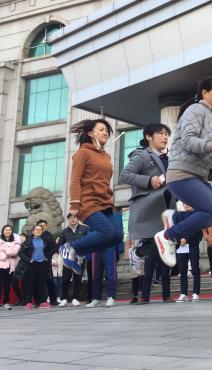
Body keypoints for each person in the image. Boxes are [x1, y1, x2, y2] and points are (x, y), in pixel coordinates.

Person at [154, 78, 212, 267]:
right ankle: (168, 236)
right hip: (182, 174)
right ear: (204, 93)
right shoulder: (196, 110)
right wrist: (209, 144)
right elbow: (187, 140)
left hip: (197, 176)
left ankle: (175, 218)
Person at [120, 122, 175, 303]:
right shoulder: (142, 155)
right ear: (149, 137)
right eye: (161, 133)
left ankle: (166, 294)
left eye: (166, 134)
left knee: (166, 253)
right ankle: (145, 295)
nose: (165, 137)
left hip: (166, 212)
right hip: (149, 211)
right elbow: (125, 175)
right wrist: (149, 180)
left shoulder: (169, 158)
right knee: (153, 253)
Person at [60, 119, 123, 275]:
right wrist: (75, 204)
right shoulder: (83, 153)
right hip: (88, 201)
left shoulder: (106, 156)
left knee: (117, 237)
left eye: (107, 130)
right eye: (101, 129)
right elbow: (75, 180)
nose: (105, 132)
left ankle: (79, 252)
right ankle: (71, 247)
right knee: (107, 232)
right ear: (90, 133)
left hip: (105, 202)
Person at [172, 204, 201, 303]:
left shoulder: (196, 213)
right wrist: (180, 239)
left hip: (193, 244)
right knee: (182, 270)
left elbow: (197, 229)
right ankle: (183, 293)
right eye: (185, 202)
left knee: (195, 269)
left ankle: (196, 293)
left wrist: (186, 238)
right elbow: (176, 228)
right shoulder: (177, 214)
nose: (187, 204)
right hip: (181, 245)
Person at [19, 224, 54, 309]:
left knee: (41, 283)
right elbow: (21, 253)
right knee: (30, 283)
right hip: (32, 264)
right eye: (36, 229)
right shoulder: (28, 241)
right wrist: (29, 260)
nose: (38, 231)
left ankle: (42, 302)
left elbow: (51, 250)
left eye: (40, 230)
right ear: (33, 231)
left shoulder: (45, 240)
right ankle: (28, 302)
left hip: (42, 263)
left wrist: (47, 258)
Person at [58, 214, 87, 307]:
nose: (73, 219)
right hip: (68, 259)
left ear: (77, 218)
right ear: (68, 220)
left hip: (80, 258)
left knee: (77, 279)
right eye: (70, 218)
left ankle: (75, 298)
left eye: (74, 217)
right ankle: (64, 298)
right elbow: (60, 245)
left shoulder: (84, 229)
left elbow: (88, 241)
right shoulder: (64, 231)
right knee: (65, 279)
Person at [36, 219, 59, 305]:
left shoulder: (49, 235)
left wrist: (47, 258)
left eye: (44, 225)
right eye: (41, 225)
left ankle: (53, 299)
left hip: (46, 262)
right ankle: (39, 300)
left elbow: (53, 248)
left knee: (49, 281)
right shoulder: (35, 235)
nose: (42, 227)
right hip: (36, 261)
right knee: (38, 281)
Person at [0, 225, 21, 310]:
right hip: (1, 265)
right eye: (6, 230)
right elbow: (2, 256)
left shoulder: (16, 242)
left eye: (9, 230)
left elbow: (14, 253)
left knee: (7, 285)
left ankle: (5, 302)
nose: (8, 231)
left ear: (12, 231)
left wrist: (4, 250)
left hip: (10, 267)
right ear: (3, 231)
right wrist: (7, 253)